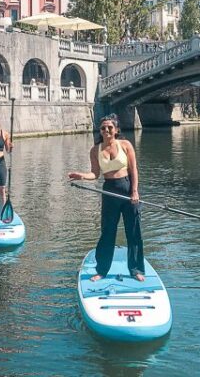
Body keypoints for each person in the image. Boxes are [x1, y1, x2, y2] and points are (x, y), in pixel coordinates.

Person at [68, 114, 145, 282]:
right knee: (107, 232)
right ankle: (102, 270)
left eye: (110, 127)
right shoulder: (95, 150)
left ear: (116, 130)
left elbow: (134, 170)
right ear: (100, 130)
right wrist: (82, 176)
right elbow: (95, 174)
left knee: (133, 231)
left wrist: (135, 191)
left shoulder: (125, 145)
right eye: (103, 128)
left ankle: (136, 269)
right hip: (109, 191)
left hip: (127, 189)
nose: (106, 130)